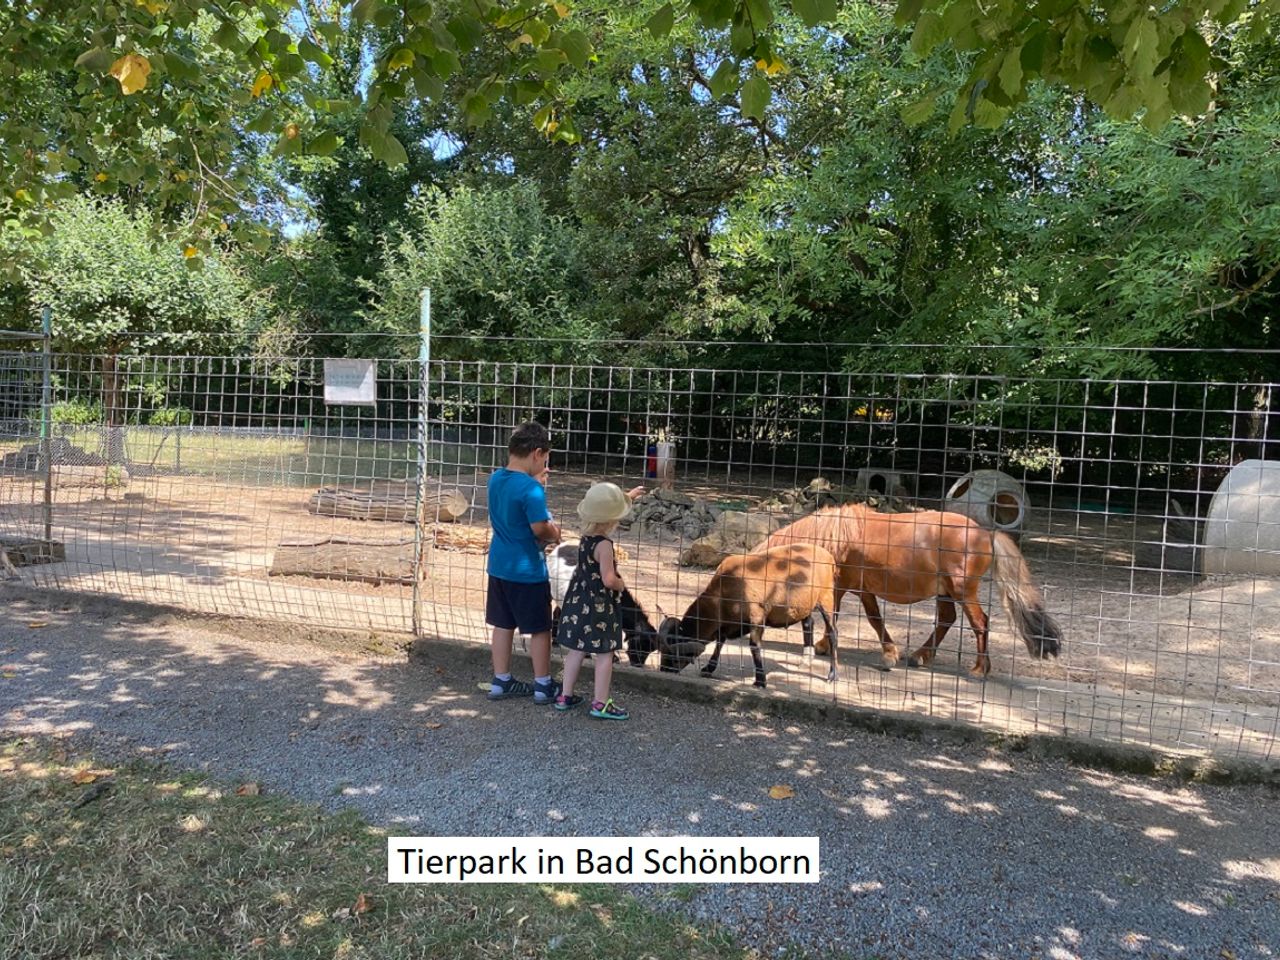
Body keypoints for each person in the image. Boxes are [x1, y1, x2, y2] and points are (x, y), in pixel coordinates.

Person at [485, 421, 562, 703]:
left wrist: (536, 481)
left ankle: (501, 680)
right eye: (545, 459)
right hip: (527, 570)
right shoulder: (531, 489)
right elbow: (539, 528)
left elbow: (511, 512)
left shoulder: (495, 478)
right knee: (540, 628)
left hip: (499, 566)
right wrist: (556, 533)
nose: (544, 464)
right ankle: (543, 684)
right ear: (536, 453)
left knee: (503, 623)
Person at [552, 482, 636, 720]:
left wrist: (628, 496)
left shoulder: (585, 539)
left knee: (576, 650)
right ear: (612, 520)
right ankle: (600, 703)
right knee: (605, 654)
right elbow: (608, 579)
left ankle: (564, 696)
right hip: (599, 607)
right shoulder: (605, 545)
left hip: (579, 602)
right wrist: (621, 584)